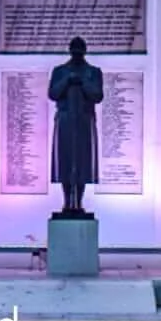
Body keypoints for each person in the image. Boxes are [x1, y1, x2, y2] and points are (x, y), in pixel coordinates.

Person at [48, 36, 104, 215]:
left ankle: (78, 202)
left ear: (85, 51)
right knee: (65, 160)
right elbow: (53, 93)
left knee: (82, 161)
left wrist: (82, 81)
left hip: (84, 121)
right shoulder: (60, 71)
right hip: (65, 121)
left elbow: (97, 95)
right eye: (74, 49)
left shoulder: (93, 72)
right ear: (69, 50)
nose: (77, 53)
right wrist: (67, 80)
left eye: (80, 49)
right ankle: (66, 202)